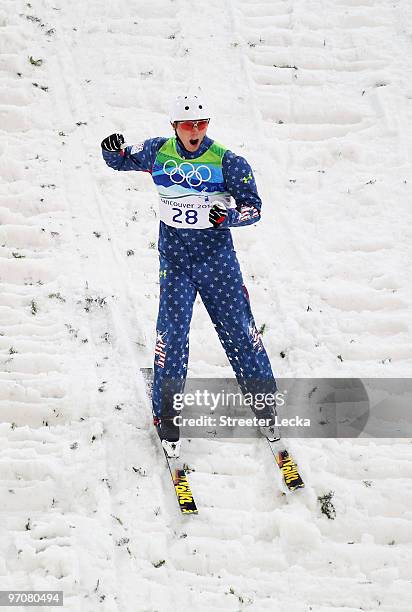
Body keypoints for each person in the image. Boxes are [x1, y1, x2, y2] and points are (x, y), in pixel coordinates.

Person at [101, 94, 280, 458]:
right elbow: (119, 160)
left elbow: (253, 208)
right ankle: (167, 416)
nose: (195, 131)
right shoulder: (157, 151)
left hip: (217, 262)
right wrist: (110, 150)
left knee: (240, 331)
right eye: (188, 125)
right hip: (177, 264)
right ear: (175, 128)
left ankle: (265, 405)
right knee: (172, 335)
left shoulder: (229, 162)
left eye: (201, 124)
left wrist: (228, 217)